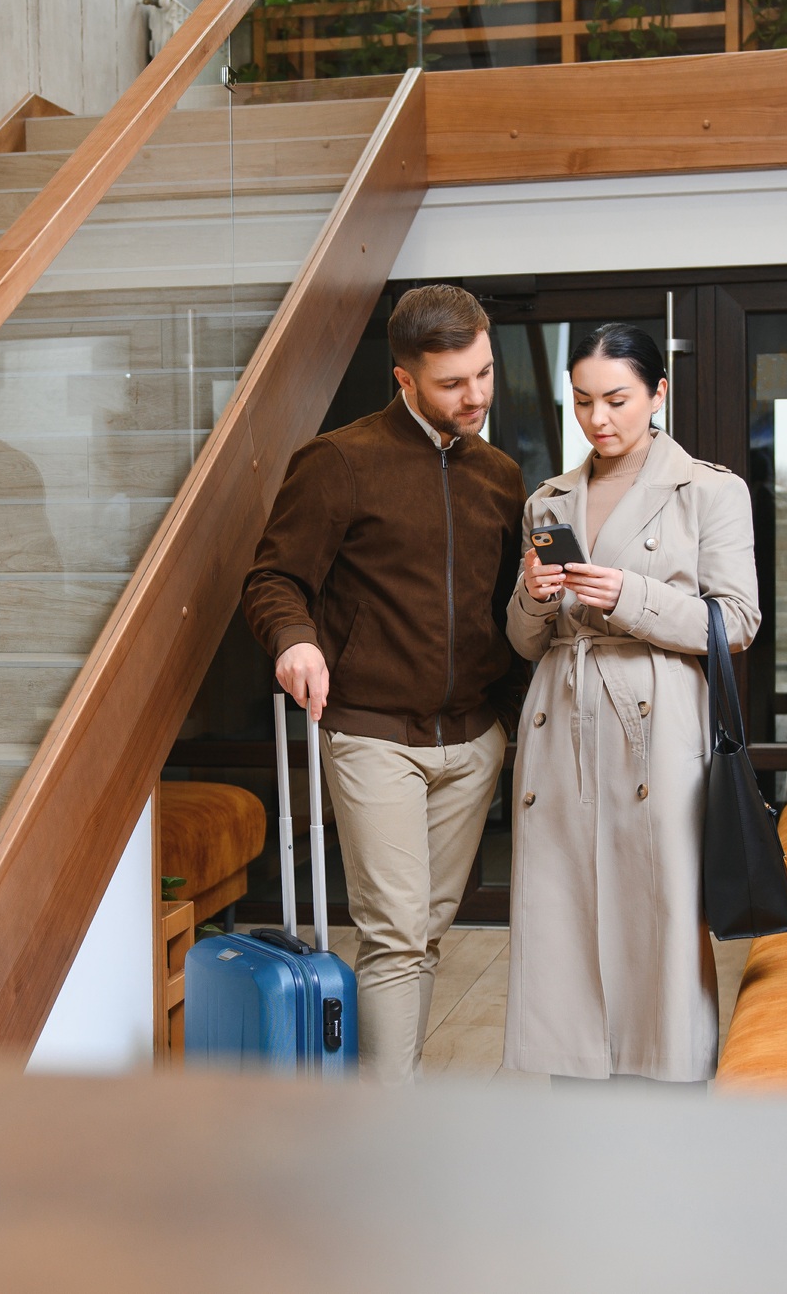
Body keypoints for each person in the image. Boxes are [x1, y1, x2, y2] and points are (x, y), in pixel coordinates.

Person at [243, 284, 529, 1086]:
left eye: (483, 373)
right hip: (372, 733)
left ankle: (387, 1093)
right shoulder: (339, 463)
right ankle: (388, 1121)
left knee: (425, 931)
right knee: (397, 933)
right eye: (451, 383)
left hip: (473, 741)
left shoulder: (502, 477)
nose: (474, 396)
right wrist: (296, 640)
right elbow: (273, 579)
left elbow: (508, 608)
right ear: (404, 379)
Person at [504, 323, 760, 1084]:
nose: (598, 419)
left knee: (659, 904)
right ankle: (571, 1067)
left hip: (656, 718)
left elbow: (737, 621)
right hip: (561, 713)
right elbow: (523, 643)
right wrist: (532, 593)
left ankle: (667, 1074)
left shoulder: (710, 490)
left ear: (658, 394)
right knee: (562, 912)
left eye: (617, 399)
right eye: (582, 401)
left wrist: (632, 597)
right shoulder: (547, 500)